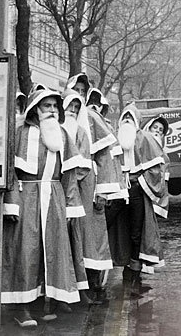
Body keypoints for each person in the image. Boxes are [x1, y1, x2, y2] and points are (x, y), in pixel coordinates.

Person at [2, 89, 86, 327]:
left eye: (54, 106)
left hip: (54, 198)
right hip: (26, 197)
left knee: (49, 253)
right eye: (46, 106)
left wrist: (70, 206)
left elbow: (70, 174)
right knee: (25, 251)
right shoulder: (20, 133)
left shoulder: (62, 134)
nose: (52, 111)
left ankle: (42, 304)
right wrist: (12, 204)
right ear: (35, 109)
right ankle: (22, 308)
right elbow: (10, 172)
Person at [107, 104, 169, 296]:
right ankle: (99, 275)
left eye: (130, 118)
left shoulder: (146, 139)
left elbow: (158, 167)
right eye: (124, 117)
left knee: (136, 233)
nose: (127, 120)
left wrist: (138, 181)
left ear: (137, 122)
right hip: (116, 193)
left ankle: (133, 276)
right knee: (110, 230)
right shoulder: (113, 139)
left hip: (136, 192)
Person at [62, 90, 114, 305]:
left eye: (77, 108)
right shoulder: (55, 131)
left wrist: (102, 191)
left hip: (86, 189)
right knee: (64, 239)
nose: (73, 111)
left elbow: (105, 159)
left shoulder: (85, 130)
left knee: (89, 237)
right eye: (69, 107)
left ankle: (90, 284)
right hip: (61, 187)